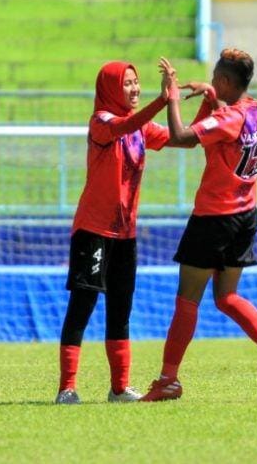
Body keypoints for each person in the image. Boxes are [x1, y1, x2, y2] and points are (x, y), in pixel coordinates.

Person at [140, 49, 257, 402]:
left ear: (225, 80)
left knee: (187, 300)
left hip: (214, 218)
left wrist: (171, 96)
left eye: (215, 76)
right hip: (245, 214)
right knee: (226, 297)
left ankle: (168, 380)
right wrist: (211, 97)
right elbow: (222, 132)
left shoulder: (229, 119)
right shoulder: (253, 109)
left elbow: (180, 137)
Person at [56, 61, 180, 405]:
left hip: (125, 234)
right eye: (127, 83)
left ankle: (119, 388)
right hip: (93, 230)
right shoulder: (101, 122)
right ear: (111, 87)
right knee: (82, 305)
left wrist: (209, 105)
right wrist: (161, 99)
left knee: (120, 309)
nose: (134, 88)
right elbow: (126, 125)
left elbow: (183, 139)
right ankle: (67, 388)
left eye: (136, 82)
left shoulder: (141, 127)